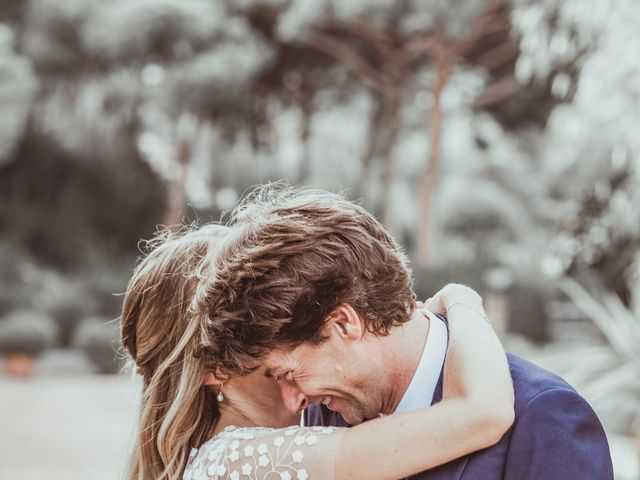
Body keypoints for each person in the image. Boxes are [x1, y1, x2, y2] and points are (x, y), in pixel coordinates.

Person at [198, 184, 614, 480]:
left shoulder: (545, 417)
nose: (294, 401)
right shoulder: (325, 414)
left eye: (289, 373)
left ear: (344, 323)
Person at [120, 223, 514, 480]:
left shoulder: (298, 425)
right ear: (214, 368)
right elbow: (481, 412)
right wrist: (462, 300)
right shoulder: (239, 461)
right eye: (246, 322)